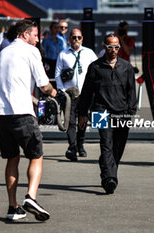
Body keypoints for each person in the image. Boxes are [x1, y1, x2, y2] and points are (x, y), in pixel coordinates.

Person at [0, 19, 57, 221]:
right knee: (36, 155)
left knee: (12, 158)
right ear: (25, 35)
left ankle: (12, 208)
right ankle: (31, 197)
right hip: (21, 112)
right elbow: (44, 85)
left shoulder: (4, 52)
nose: (37, 40)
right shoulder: (30, 51)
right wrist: (56, 93)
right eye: (35, 35)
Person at [78, 34, 137, 194]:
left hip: (122, 112)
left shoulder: (126, 67)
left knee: (118, 146)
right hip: (100, 111)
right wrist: (82, 113)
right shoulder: (95, 67)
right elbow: (86, 92)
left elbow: (132, 91)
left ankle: (108, 168)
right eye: (110, 47)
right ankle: (109, 178)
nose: (114, 50)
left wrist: (131, 111)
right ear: (104, 47)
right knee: (106, 143)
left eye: (117, 47)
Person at [55, 28, 97, 161]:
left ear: (82, 38)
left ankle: (81, 145)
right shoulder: (63, 54)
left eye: (79, 37)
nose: (76, 40)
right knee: (70, 121)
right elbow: (57, 74)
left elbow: (96, 70)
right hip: (69, 94)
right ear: (69, 39)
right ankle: (72, 146)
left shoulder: (89, 53)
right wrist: (61, 90)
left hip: (85, 93)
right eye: (74, 37)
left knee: (82, 120)